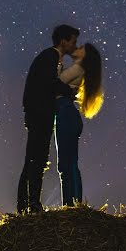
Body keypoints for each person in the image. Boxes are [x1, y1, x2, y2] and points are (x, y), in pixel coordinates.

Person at [17, 24, 80, 214]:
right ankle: (30, 205)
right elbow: (49, 84)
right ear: (63, 41)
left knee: (36, 158)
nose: (74, 45)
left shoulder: (53, 59)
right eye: (72, 41)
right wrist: (69, 92)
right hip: (39, 115)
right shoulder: (50, 56)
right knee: (36, 159)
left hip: (39, 114)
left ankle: (28, 205)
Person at [55, 42, 103, 206]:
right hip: (69, 115)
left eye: (81, 48)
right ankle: (75, 204)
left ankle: (69, 205)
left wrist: (59, 60)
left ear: (85, 55)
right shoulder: (80, 70)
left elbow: (56, 82)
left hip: (65, 113)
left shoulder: (77, 68)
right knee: (71, 163)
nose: (77, 48)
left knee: (65, 165)